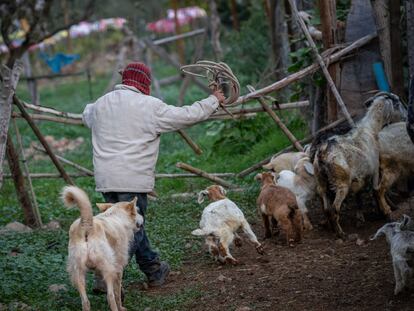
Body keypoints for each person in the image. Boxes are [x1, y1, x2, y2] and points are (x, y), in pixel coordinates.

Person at [82, 62, 225, 289]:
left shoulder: (100, 104)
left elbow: (86, 114)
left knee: (125, 226)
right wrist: (213, 100)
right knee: (130, 231)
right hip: (133, 180)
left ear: (124, 80)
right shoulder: (150, 106)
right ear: (144, 82)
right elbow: (186, 115)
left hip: (107, 180)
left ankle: (153, 270)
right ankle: (106, 273)